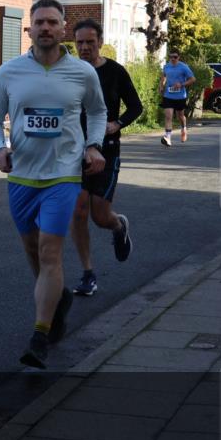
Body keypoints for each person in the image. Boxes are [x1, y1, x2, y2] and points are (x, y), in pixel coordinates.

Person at [0, 0, 107, 369]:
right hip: (21, 175)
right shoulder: (9, 72)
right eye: (39, 22)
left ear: (63, 28)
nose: (46, 28)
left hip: (64, 174)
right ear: (29, 28)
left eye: (53, 22)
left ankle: (39, 335)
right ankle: (58, 299)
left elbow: (98, 111)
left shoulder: (83, 73)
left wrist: (93, 145)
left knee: (51, 251)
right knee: (33, 250)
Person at [69, 19, 141, 296]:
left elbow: (136, 106)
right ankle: (88, 274)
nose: (84, 47)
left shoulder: (115, 72)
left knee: (99, 216)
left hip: (107, 150)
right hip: (74, 150)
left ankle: (118, 224)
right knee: (78, 211)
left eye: (90, 42)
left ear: (100, 42)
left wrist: (118, 123)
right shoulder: (70, 72)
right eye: (79, 43)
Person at [158, 50, 195, 146]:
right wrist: (161, 86)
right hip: (168, 95)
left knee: (180, 116)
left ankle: (184, 128)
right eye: (171, 57)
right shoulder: (166, 66)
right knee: (168, 116)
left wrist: (182, 84)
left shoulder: (184, 67)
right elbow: (163, 77)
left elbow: (192, 79)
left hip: (180, 96)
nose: (173, 59)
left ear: (179, 57)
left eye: (175, 57)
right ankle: (168, 137)